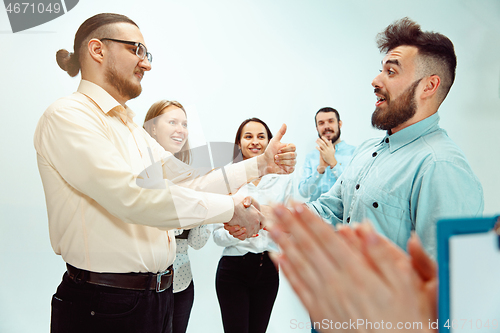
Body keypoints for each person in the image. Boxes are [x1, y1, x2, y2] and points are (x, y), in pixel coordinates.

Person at [33, 13, 295, 333]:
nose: (146, 64)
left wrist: (259, 166)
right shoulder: (68, 116)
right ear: (98, 50)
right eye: (136, 50)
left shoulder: (129, 126)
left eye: (147, 53)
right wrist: (231, 210)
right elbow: (132, 196)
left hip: (156, 299)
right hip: (102, 304)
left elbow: (188, 179)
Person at [307, 17, 483, 258]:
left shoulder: (440, 166)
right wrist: (265, 216)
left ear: (429, 86)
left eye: (391, 71)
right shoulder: (368, 150)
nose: (375, 80)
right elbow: (329, 211)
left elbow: (442, 278)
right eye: (381, 70)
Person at [267, 202, 438, 333]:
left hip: (386, 313)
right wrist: (292, 218)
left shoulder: (436, 163)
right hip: (346, 308)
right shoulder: (361, 158)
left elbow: (443, 263)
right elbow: (331, 206)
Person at [213, 118, 294, 333]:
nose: (255, 141)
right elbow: (217, 236)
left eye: (261, 136)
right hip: (233, 270)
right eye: (248, 136)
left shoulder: (283, 179)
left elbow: (289, 228)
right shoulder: (226, 179)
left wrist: (268, 226)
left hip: (268, 269)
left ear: (269, 142)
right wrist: (241, 232)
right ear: (238, 143)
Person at [143, 100, 210, 333]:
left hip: (181, 284)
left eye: (184, 123)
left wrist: (204, 202)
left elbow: (198, 243)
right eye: (172, 122)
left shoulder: (191, 177)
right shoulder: (138, 171)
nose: (181, 129)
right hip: (142, 288)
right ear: (152, 127)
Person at [299, 107, 356, 201]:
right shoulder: (311, 156)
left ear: (339, 124)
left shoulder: (354, 153)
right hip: (316, 214)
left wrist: (333, 163)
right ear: (317, 128)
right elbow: (304, 192)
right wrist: (320, 169)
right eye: (321, 123)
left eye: (331, 121)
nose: (326, 126)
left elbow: (354, 190)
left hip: (343, 214)